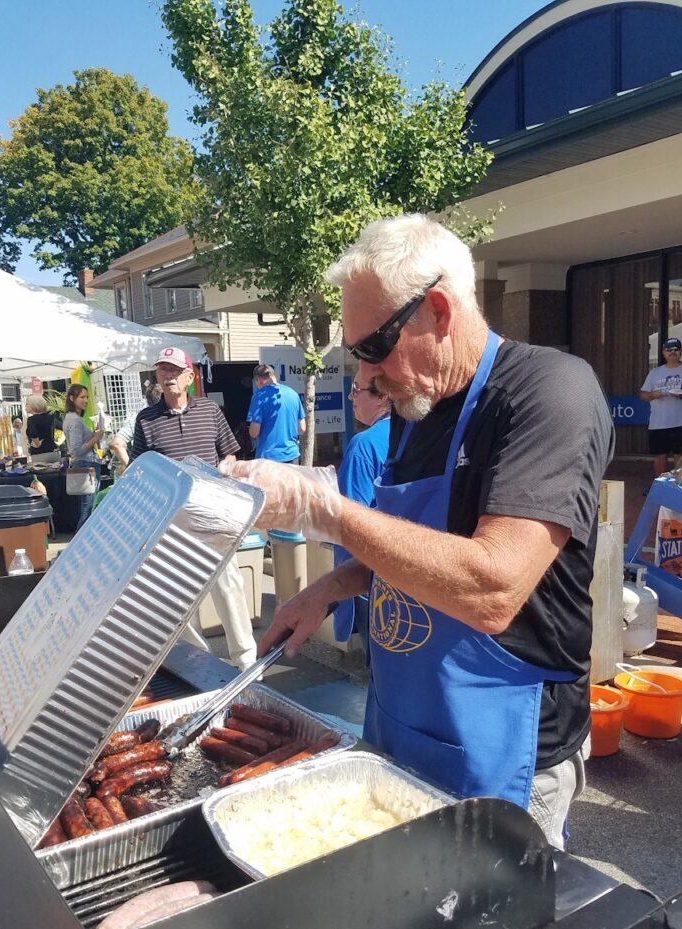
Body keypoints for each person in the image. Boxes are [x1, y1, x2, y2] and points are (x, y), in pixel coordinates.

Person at [223, 213, 615, 850]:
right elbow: (409, 546)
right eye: (358, 356)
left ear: (437, 308)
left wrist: (319, 509)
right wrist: (332, 588)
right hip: (401, 724)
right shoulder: (416, 405)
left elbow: (493, 587)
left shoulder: (549, 394)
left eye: (374, 349)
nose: (369, 377)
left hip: (507, 750)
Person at [131, 347, 257, 670]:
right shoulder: (146, 420)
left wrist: (221, 479)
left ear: (190, 376)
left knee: (228, 586)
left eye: (174, 371)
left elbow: (230, 455)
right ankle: (200, 663)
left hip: (212, 515)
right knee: (178, 597)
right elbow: (140, 470)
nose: (168, 376)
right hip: (171, 523)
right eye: (162, 370)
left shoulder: (210, 411)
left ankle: (245, 662)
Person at [333, 374, 391, 647]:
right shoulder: (422, 437)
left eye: (356, 390)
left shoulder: (364, 445)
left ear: (383, 396)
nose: (349, 397)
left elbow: (351, 522)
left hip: (371, 583)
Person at [63, 383, 104, 532]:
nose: (85, 400)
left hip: (85, 464)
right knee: (88, 506)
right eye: (82, 397)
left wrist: (93, 436)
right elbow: (76, 450)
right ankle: (80, 538)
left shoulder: (72, 418)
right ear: (72, 398)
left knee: (86, 506)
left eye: (86, 397)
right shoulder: (74, 420)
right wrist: (95, 438)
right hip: (85, 465)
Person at [640, 337, 682, 479]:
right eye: (669, 349)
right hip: (658, 423)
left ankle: (679, 487)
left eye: (676, 349)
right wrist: (652, 395)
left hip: (680, 422)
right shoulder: (655, 373)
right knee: (659, 456)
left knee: (680, 456)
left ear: (680, 351)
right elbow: (643, 395)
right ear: (663, 353)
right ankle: (659, 486)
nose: (672, 352)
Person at [246, 364, 306, 463]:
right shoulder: (293, 394)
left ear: (259, 380)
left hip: (268, 457)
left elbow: (254, 433)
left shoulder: (259, 396)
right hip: (292, 455)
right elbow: (302, 429)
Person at [109, 384, 162, 470]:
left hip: (146, 473)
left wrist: (133, 469)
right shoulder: (141, 418)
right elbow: (116, 444)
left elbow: (116, 444)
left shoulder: (137, 418)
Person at [25, 395, 57, 459]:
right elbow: (62, 426)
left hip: (39, 452)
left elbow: (33, 433)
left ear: (33, 406)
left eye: (27, 404)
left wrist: (37, 443)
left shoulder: (32, 419)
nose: (25, 406)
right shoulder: (50, 417)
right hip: (52, 449)